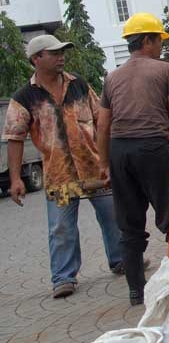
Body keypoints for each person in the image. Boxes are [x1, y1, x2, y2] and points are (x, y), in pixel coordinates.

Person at [1, 35, 123, 299]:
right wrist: (15, 179)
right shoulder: (24, 97)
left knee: (113, 216)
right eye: (53, 53)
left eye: (62, 52)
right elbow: (14, 137)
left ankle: (121, 260)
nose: (61, 57)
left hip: (95, 168)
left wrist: (110, 159)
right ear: (36, 59)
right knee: (61, 228)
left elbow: (101, 120)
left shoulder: (78, 84)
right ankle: (64, 278)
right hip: (60, 176)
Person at [96, 12, 169, 306]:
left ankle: (136, 291)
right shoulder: (165, 70)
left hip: (120, 152)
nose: (161, 47)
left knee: (129, 226)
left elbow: (103, 125)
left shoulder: (111, 77)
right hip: (152, 148)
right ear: (148, 41)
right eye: (159, 41)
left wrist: (104, 164)